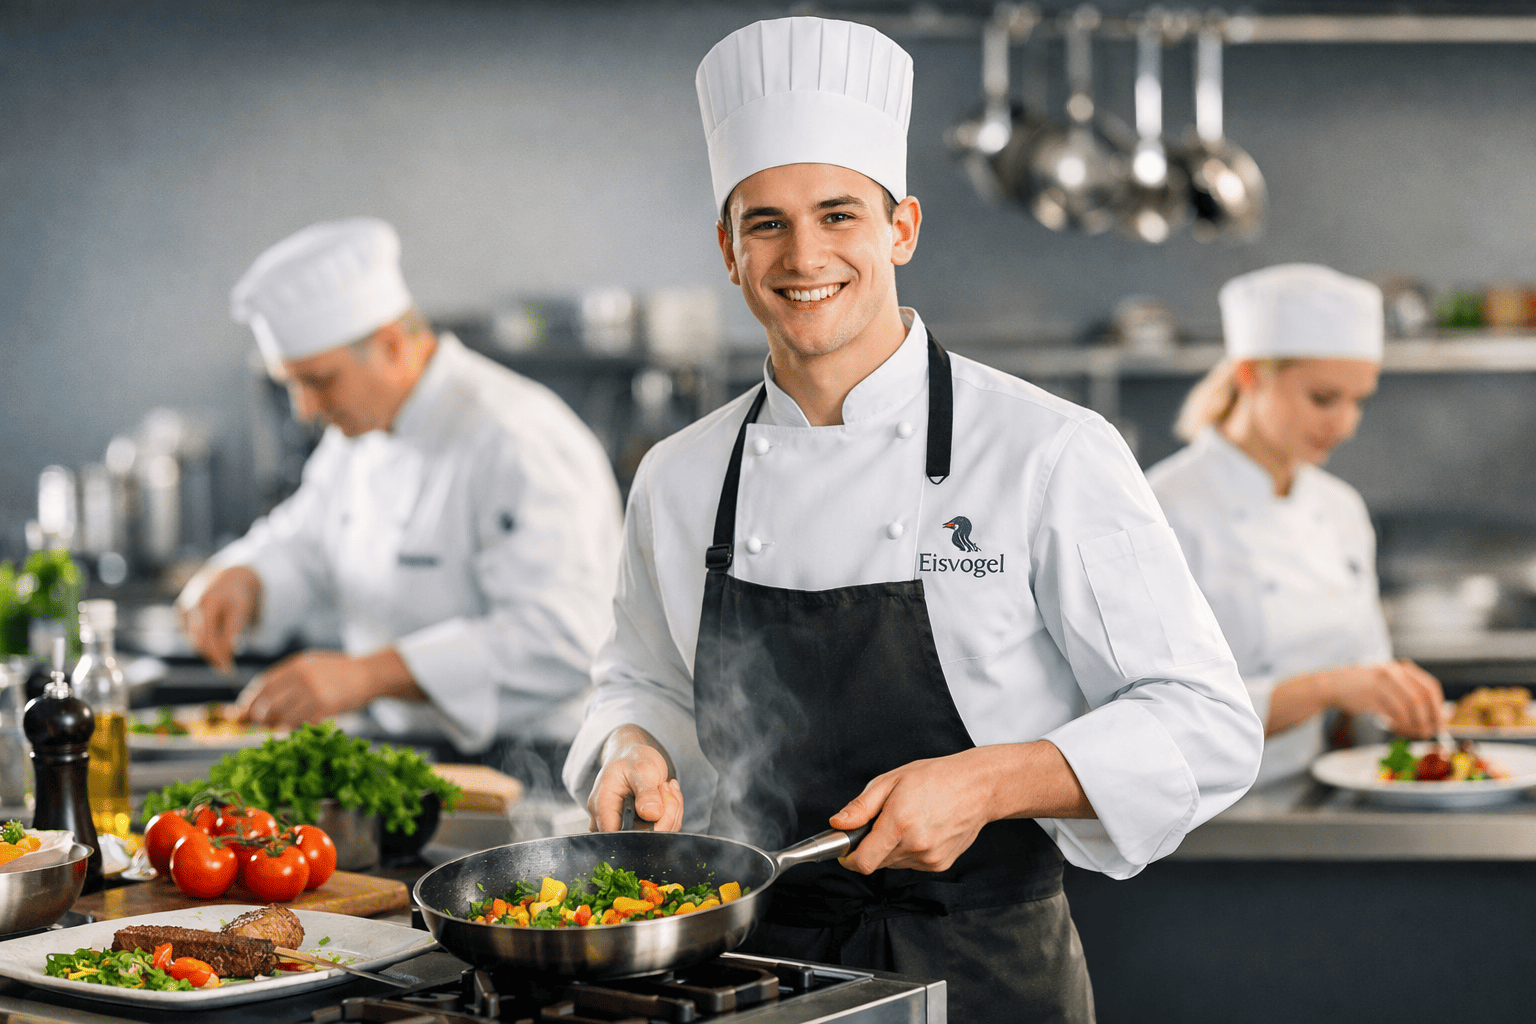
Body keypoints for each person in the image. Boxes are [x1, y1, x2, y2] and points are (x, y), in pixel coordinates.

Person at [562, 18, 1262, 1022]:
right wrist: (633, 745)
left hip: (986, 974)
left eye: (839, 214)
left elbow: (1207, 724)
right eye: (766, 223)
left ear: (902, 229)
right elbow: (638, 676)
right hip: (752, 975)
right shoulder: (678, 476)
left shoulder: (1047, 452)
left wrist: (990, 781)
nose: (804, 255)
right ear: (728, 248)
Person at [177, 218, 623, 783]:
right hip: (406, 759)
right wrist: (246, 574)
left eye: (318, 381)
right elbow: (307, 536)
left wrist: (364, 676)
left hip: (530, 768)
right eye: (291, 384)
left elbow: (563, 635)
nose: (305, 410)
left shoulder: (515, 437)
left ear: (390, 345)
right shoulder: (356, 435)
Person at [1147, 263, 1445, 789]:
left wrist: (1392, 698)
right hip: (1203, 812)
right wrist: (1329, 688)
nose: (1346, 425)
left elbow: (1365, 670)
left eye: (1359, 401)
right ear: (1249, 375)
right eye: (1324, 398)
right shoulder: (1161, 509)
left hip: (1321, 791)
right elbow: (1155, 715)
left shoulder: (1341, 509)